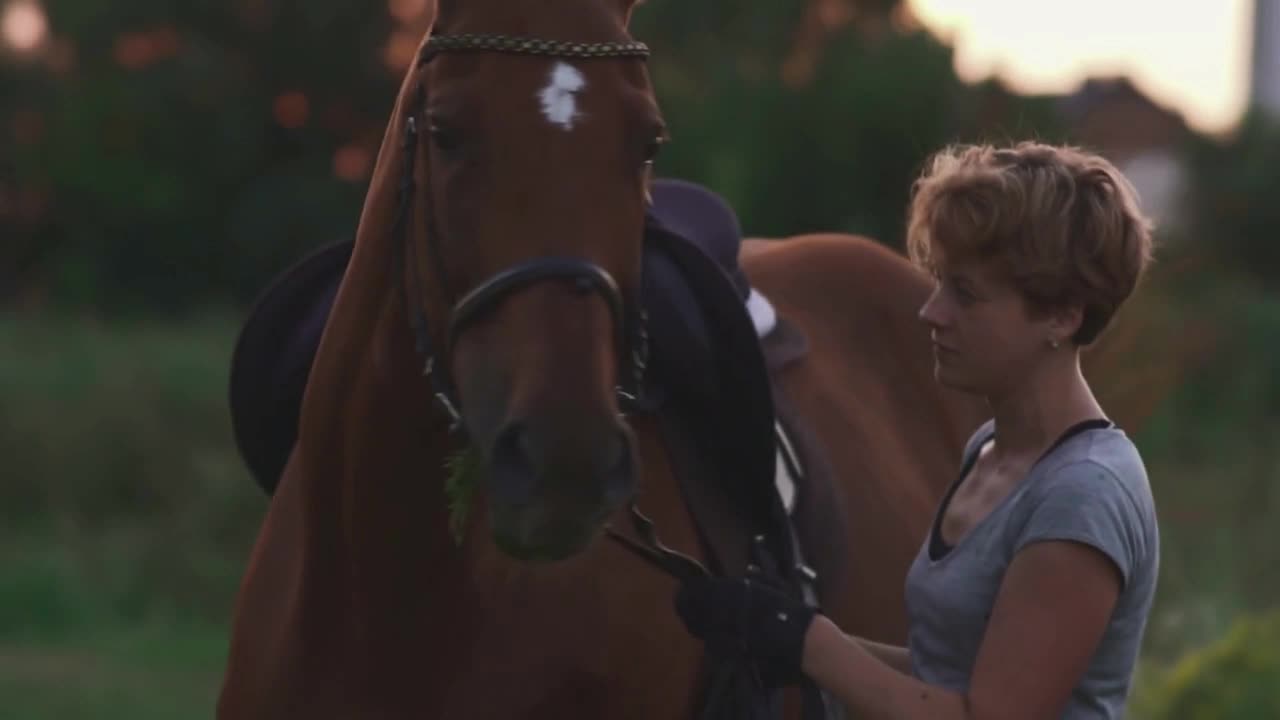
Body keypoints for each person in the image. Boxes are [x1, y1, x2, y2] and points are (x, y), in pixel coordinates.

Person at [674, 141, 1160, 719]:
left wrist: (813, 644)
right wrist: (774, 632)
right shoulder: (989, 450)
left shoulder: (1083, 494)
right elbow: (943, 671)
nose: (932, 312)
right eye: (940, 283)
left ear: (1061, 315)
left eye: (967, 295)